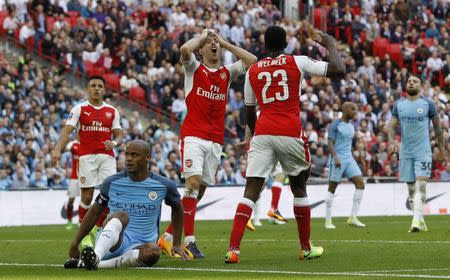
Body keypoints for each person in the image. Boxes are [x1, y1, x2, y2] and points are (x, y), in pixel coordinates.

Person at [225, 25, 345, 264]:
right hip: (289, 131)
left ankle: (233, 250)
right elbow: (338, 69)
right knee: (299, 187)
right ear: (285, 43)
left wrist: (254, 136)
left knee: (251, 190)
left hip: (263, 132)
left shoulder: (253, 70)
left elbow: (249, 112)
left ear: (264, 43)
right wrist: (330, 43)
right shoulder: (297, 61)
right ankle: (305, 248)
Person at [157, 29, 257, 259]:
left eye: (215, 43)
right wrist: (202, 38)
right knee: (192, 184)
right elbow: (184, 49)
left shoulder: (226, 72)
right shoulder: (194, 68)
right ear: (200, 49)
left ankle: (168, 236)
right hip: (193, 135)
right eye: (209, 43)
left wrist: (224, 42)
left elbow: (252, 61)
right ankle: (189, 242)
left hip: (215, 141)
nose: (214, 44)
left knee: (199, 191)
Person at [64, 140, 190, 270]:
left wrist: (176, 244)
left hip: (141, 248)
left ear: (148, 157)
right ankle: (97, 255)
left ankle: (95, 263)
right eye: (127, 154)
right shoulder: (111, 182)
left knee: (154, 251)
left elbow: (178, 208)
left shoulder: (164, 185)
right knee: (121, 215)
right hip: (111, 243)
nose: (129, 159)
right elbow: (94, 212)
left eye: (135, 155)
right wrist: (74, 244)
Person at [52, 75, 123, 246]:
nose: (97, 88)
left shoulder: (112, 111)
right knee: (87, 194)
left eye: (100, 85)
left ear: (104, 90)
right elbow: (66, 131)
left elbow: (119, 135)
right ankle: (83, 234)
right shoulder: (79, 109)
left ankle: (95, 229)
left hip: (107, 156)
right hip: (86, 156)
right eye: (93, 85)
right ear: (88, 89)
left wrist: (114, 142)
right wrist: (56, 150)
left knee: (110, 193)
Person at [388, 74, 446, 232]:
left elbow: (438, 129)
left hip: (423, 151)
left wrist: (442, 150)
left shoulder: (428, 104)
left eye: (415, 81)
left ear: (421, 86)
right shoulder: (398, 105)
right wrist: (392, 142)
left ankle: (415, 222)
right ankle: (420, 219)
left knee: (421, 186)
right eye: (409, 81)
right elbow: (392, 126)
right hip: (405, 152)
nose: (411, 83)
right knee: (411, 189)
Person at [325, 102, 366, 229]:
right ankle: (328, 221)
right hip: (337, 158)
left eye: (356, 109)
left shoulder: (352, 126)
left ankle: (353, 217)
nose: (355, 111)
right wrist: (335, 157)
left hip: (349, 158)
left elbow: (348, 143)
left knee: (360, 184)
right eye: (353, 109)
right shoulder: (336, 124)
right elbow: (330, 143)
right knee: (332, 188)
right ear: (345, 109)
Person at [65, 138, 81, 230]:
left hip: (85, 177)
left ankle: (80, 221)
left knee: (84, 201)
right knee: (71, 200)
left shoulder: (88, 144)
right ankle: (69, 220)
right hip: (74, 177)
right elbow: (66, 149)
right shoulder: (73, 144)